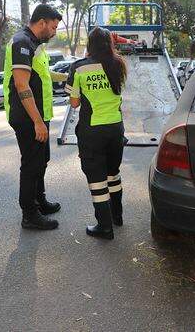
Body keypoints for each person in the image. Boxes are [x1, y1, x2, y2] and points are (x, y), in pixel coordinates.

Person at [3, 4, 64, 230]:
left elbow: (43, 75)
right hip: (27, 117)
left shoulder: (35, 45)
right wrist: (38, 121)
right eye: (54, 27)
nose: (55, 32)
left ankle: (40, 201)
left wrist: (69, 76)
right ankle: (29, 214)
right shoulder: (22, 42)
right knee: (31, 164)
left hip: (39, 114)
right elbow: (21, 84)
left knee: (42, 160)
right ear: (42, 23)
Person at [66, 27, 127, 240]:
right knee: (113, 173)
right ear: (109, 43)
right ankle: (117, 216)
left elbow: (74, 103)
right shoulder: (119, 64)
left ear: (89, 44)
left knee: (97, 178)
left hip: (92, 131)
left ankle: (104, 226)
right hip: (116, 128)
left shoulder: (79, 67)